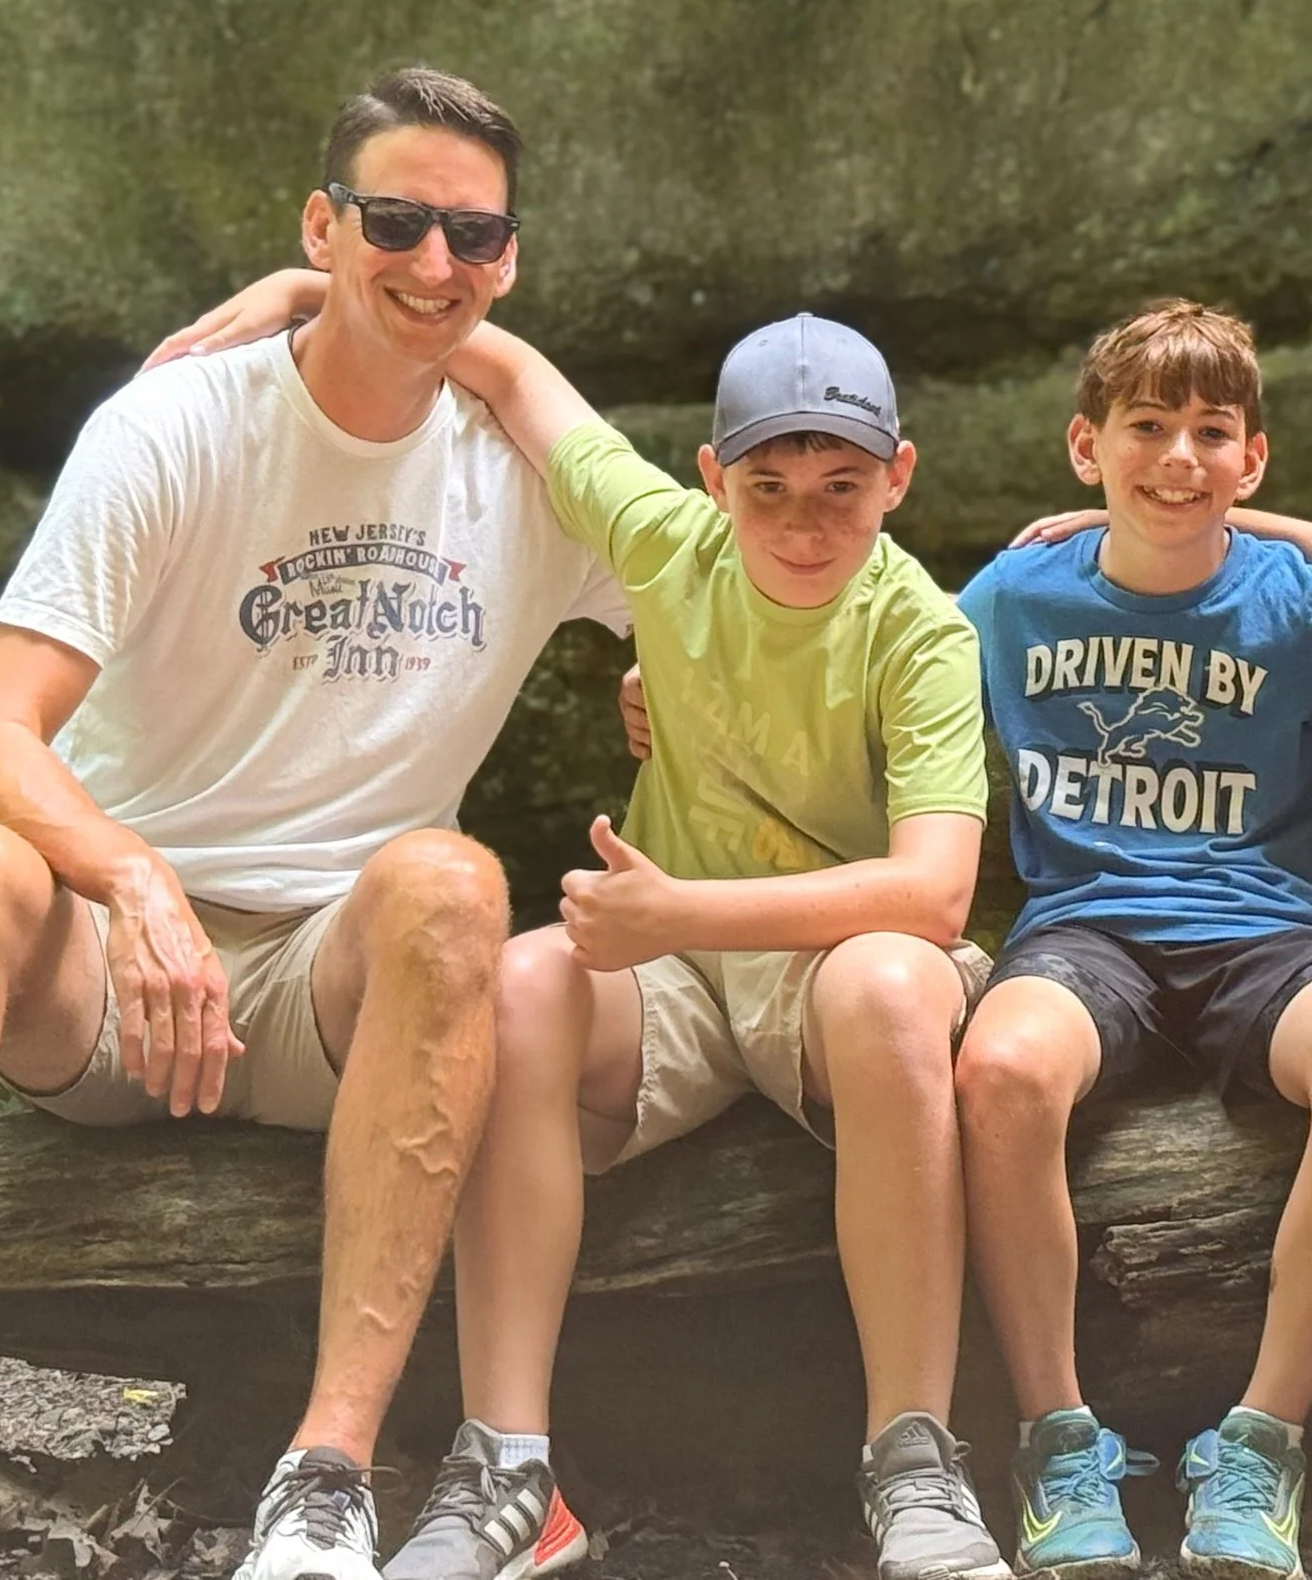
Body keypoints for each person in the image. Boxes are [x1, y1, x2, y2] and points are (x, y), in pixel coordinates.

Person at [163, 278, 1004, 1580]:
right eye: (768, 486)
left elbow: (935, 889)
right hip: (667, 975)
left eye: (840, 483)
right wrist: (319, 288)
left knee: (895, 985)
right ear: (711, 474)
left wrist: (677, 909)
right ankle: (506, 1463)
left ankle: (916, 1455)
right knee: (519, 984)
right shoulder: (665, 540)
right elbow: (506, 371)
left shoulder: (923, 630)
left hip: (833, 966)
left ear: (898, 475)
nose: (802, 520)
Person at [0, 67, 628, 1580]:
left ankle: (327, 1474)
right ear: (322, 223)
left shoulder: (522, 471)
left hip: (326, 1000)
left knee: (455, 883)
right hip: (107, 973)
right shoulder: (177, 422)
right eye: (394, 223)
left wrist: (666, 652)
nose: (434, 264)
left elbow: (745, 585)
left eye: (474, 237)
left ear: (512, 260)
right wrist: (127, 876)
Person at [950, 298, 1312, 1580]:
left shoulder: (1301, 608)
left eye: (1212, 433)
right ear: (1083, 445)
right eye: (1146, 428)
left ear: (1252, 459)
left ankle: (1263, 1440)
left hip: (1268, 933)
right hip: (1085, 929)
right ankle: (1057, 1437)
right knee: (997, 1070)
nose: (1177, 458)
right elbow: (865, 676)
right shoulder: (1012, 596)